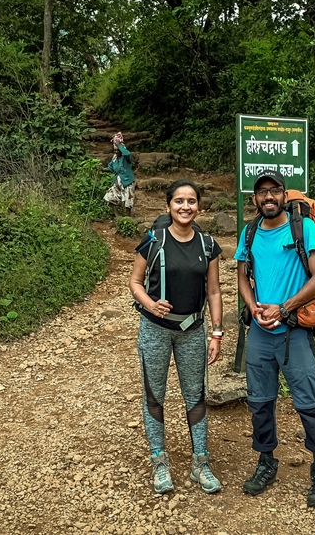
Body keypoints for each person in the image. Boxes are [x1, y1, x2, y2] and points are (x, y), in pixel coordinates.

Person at [234, 169, 315, 508]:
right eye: (261, 192)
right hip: (261, 333)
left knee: (308, 402)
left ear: (284, 194)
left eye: (274, 190)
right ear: (254, 199)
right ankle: (266, 462)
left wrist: (283, 308)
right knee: (260, 402)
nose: (268, 197)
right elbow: (243, 276)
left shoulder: (303, 228)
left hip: (294, 331)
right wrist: (254, 308)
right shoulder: (249, 233)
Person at [128, 179, 224, 495]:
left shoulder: (208, 245)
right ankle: (159, 461)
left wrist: (217, 333)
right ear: (169, 206)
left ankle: (200, 463)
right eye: (179, 201)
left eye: (191, 201)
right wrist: (150, 304)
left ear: (199, 206)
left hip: (192, 331)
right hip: (155, 330)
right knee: (154, 396)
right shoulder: (153, 240)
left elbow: (213, 290)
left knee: (194, 396)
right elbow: (135, 282)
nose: (185, 207)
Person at [105, 132, 135, 217]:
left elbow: (127, 153)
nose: (117, 152)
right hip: (117, 182)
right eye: (115, 150)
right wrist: (101, 169)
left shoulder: (125, 157)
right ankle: (117, 216)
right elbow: (110, 168)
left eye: (118, 150)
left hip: (127, 182)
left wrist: (119, 145)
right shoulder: (114, 158)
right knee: (110, 196)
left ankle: (128, 218)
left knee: (127, 201)